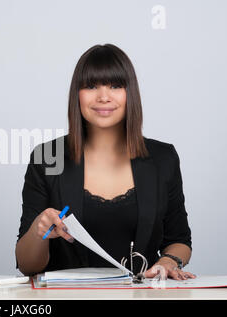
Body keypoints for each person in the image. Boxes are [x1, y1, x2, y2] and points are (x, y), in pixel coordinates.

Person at [15, 43, 196, 281]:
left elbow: (179, 240)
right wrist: (40, 228)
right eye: (90, 86)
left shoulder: (163, 158)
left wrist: (166, 262)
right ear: (76, 94)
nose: (103, 97)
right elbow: (27, 265)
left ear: (130, 93)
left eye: (115, 85)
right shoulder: (48, 157)